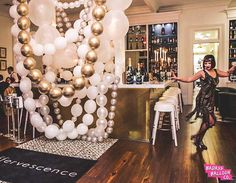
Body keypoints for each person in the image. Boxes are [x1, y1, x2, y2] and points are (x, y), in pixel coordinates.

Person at [172, 54, 236, 150]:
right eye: (205, 63)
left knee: (208, 122)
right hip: (203, 100)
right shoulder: (202, 73)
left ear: (213, 63)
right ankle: (197, 138)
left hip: (211, 100)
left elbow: (227, 74)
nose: (207, 65)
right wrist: (178, 78)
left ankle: (198, 139)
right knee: (210, 121)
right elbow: (189, 79)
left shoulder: (216, 71)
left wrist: (234, 66)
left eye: (209, 63)